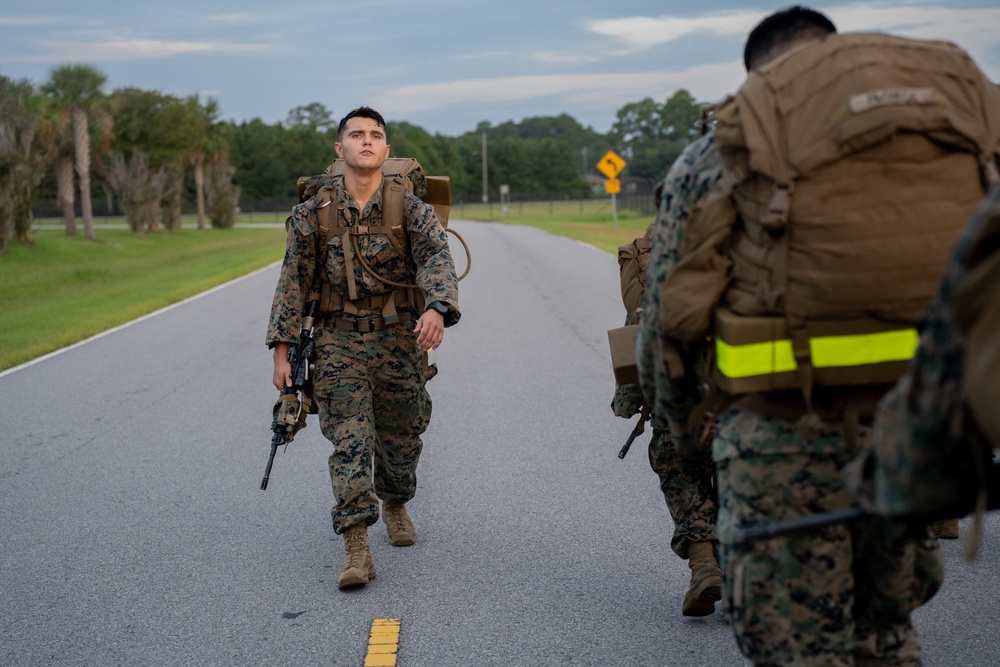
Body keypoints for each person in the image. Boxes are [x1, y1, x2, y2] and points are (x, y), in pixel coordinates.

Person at [637, 7, 951, 665]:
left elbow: (666, 319)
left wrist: (680, 423)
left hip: (777, 441)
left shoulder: (713, 155)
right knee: (886, 629)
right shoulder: (918, 143)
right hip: (905, 432)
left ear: (757, 73)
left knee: (797, 644)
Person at [266, 106, 460, 590]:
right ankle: (356, 548)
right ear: (341, 149)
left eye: (375, 135)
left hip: (399, 340)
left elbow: (437, 255)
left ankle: (395, 502)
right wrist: (282, 352)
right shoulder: (314, 212)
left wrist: (436, 308)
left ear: (386, 150)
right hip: (337, 343)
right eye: (357, 135)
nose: (367, 141)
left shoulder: (408, 207)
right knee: (349, 443)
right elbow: (293, 279)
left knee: (400, 441)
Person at [613, 228, 721, 617]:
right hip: (741, 376)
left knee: (678, 466)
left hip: (671, 382)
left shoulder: (648, 248)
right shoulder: (753, 232)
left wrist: (630, 397)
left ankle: (704, 562)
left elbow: (635, 322)